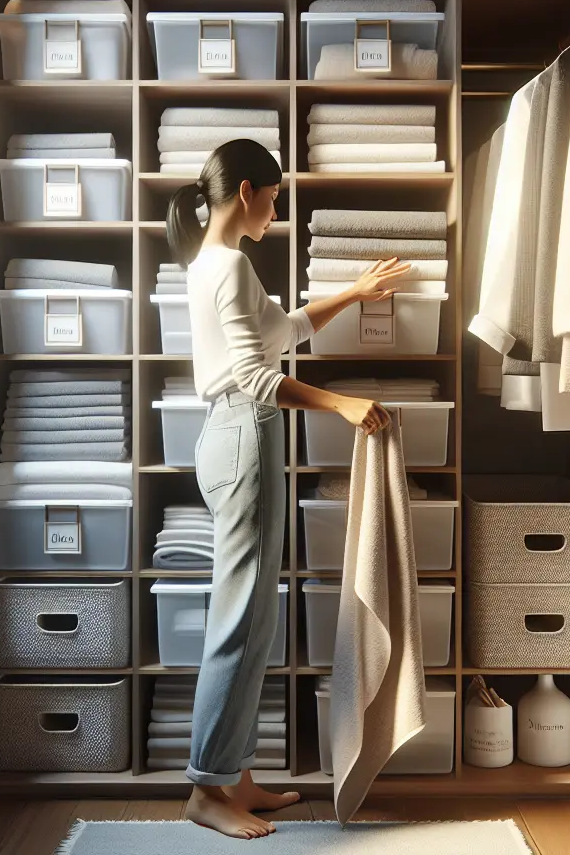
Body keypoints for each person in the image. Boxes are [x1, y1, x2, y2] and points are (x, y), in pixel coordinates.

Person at [165, 138, 411, 839]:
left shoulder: (212, 264)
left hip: (235, 436)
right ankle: (206, 790)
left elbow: (284, 333)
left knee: (253, 617)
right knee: (239, 618)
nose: (276, 208)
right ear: (247, 191)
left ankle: (235, 778)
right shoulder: (231, 266)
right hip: (245, 431)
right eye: (273, 195)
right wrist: (344, 405)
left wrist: (355, 293)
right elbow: (258, 379)